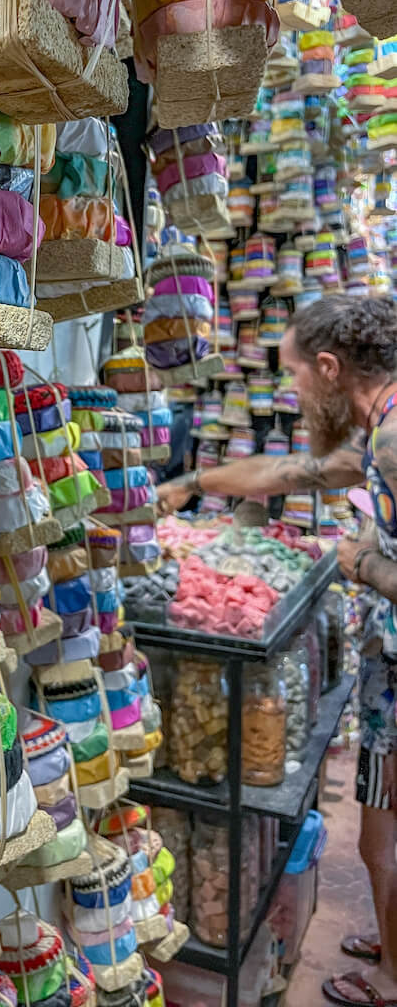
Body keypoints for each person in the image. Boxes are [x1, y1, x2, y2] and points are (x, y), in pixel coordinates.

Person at [157, 295, 397, 1007]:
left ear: (330, 368)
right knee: (378, 832)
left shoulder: (392, 439)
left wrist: (364, 566)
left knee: (385, 833)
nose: (291, 390)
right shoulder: (378, 429)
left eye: (294, 374)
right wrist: (191, 485)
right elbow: (293, 475)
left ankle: (391, 980)